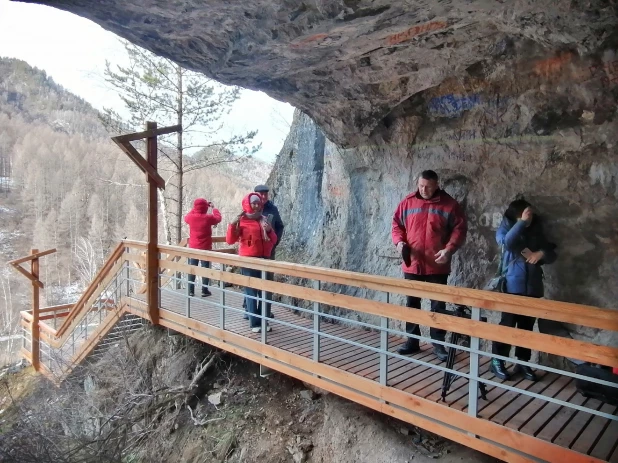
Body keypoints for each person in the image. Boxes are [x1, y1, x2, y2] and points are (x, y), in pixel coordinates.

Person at [391, 170, 467, 361]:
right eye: (421, 185)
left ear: (436, 185)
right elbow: (396, 225)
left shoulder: (450, 205)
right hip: (412, 263)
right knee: (412, 304)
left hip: (437, 264)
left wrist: (449, 249)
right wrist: (399, 243)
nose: (423, 190)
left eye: (428, 186)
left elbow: (459, 229)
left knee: (437, 306)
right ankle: (412, 341)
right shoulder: (407, 202)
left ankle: (438, 344)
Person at [490, 199, 557, 381]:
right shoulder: (506, 228)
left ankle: (522, 361)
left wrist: (541, 253)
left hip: (533, 285)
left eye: (531, 213)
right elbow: (508, 243)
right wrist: (521, 223)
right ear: (517, 214)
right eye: (526, 213)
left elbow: (551, 252)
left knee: (527, 326)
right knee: (508, 325)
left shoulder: (536, 229)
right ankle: (497, 360)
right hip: (513, 284)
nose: (530, 216)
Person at [226, 193, 277, 333]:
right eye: (253, 203)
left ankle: (264, 321)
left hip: (265, 259)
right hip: (248, 260)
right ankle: (255, 323)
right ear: (247, 204)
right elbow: (230, 240)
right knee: (251, 292)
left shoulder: (264, 219)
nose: (256, 205)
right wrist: (232, 225)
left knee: (266, 292)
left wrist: (269, 230)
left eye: (258, 203)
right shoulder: (240, 220)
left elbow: (273, 239)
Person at [254, 184, 285, 318]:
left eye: (265, 194)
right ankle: (249, 309)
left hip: (268, 252)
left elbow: (279, 226)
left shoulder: (273, 209)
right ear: (255, 195)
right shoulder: (251, 208)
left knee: (267, 282)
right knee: (252, 280)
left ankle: (265, 312)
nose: (263, 196)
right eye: (261, 194)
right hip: (253, 252)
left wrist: (275, 242)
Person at [184, 198, 222, 297]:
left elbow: (186, 217)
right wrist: (214, 208)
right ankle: (204, 290)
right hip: (205, 248)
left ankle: (191, 290)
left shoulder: (191, 218)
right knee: (205, 269)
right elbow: (218, 218)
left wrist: (195, 209)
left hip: (193, 248)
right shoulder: (208, 218)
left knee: (192, 269)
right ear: (205, 207)